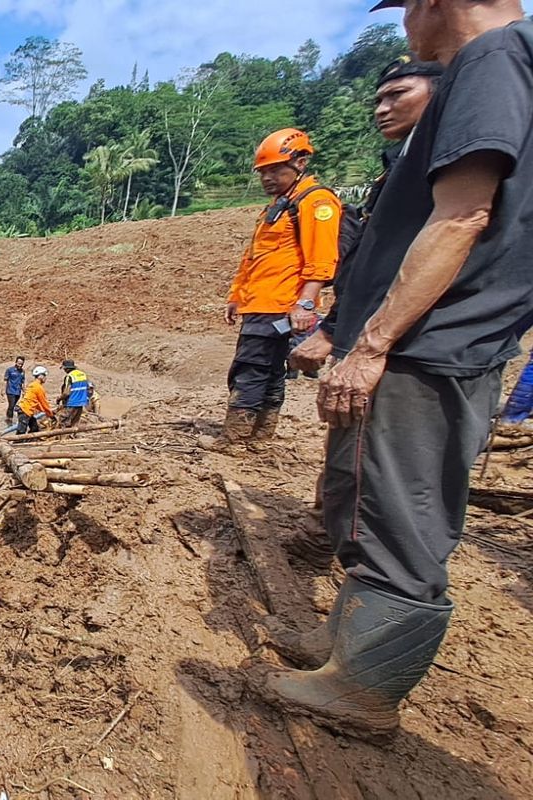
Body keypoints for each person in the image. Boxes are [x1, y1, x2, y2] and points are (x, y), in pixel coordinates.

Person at [261, 0, 533, 737]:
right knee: (367, 498)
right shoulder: (499, 65)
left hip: (428, 346)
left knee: (401, 515)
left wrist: (373, 344)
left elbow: (463, 217)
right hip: (423, 341)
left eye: (410, 5)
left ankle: (366, 687)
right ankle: (348, 645)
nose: (407, 23)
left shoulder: (493, 60)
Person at [291, 54, 444, 375]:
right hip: (368, 331)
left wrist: (313, 311)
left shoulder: (434, 168)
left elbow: (393, 260)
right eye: (378, 99)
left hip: (410, 344)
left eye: (397, 94)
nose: (381, 109)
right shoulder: (400, 166)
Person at [216, 128, 341, 448]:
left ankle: (235, 438)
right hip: (259, 302)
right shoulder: (279, 205)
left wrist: (307, 304)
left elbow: (323, 259)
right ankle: (259, 437)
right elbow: (254, 257)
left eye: (275, 170)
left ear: (300, 162)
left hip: (280, 304)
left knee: (251, 368)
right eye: (263, 172)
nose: (267, 178)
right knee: (270, 370)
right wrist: (236, 296)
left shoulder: (315, 202)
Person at [17, 366, 55, 434]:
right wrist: (51, 415)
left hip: (25, 410)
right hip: (25, 410)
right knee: (21, 431)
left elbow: (35, 402)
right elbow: (44, 403)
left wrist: (43, 411)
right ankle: (16, 443)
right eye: (44, 376)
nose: (45, 378)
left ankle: (28, 441)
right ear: (40, 376)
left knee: (34, 428)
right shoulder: (38, 387)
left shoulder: (32, 385)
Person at [58, 360, 91, 429]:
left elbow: (66, 393)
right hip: (81, 402)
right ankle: (72, 436)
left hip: (72, 402)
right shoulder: (83, 374)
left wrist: (59, 398)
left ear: (67, 368)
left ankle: (63, 438)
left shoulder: (69, 376)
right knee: (75, 422)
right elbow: (88, 389)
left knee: (63, 421)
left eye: (64, 369)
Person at [3, 357, 26, 423]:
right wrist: (2, 390)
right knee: (12, 405)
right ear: (16, 362)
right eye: (19, 363)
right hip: (10, 391)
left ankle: (8, 416)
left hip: (18, 392)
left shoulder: (22, 372)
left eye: (22, 364)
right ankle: (9, 419)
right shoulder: (10, 370)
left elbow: (23, 381)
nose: (20, 365)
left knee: (12, 406)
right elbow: (5, 380)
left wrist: (24, 390)